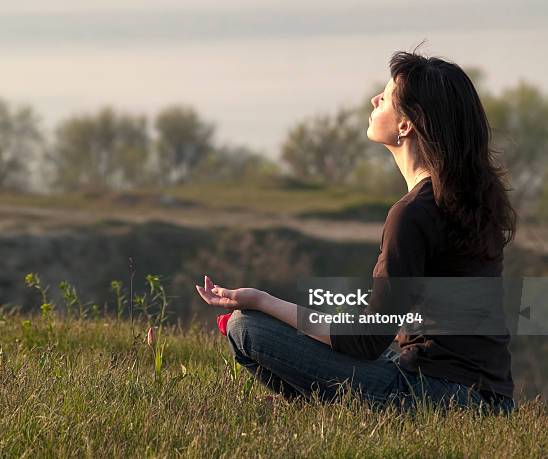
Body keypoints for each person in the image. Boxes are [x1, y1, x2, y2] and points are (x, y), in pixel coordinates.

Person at [195, 48, 517, 414]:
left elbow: (367, 340)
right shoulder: (468, 202)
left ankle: (322, 404)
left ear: (406, 125)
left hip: (440, 400)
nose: (374, 99)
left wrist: (262, 301)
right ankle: (322, 407)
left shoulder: (412, 214)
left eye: (387, 97)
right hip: (491, 400)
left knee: (246, 328)